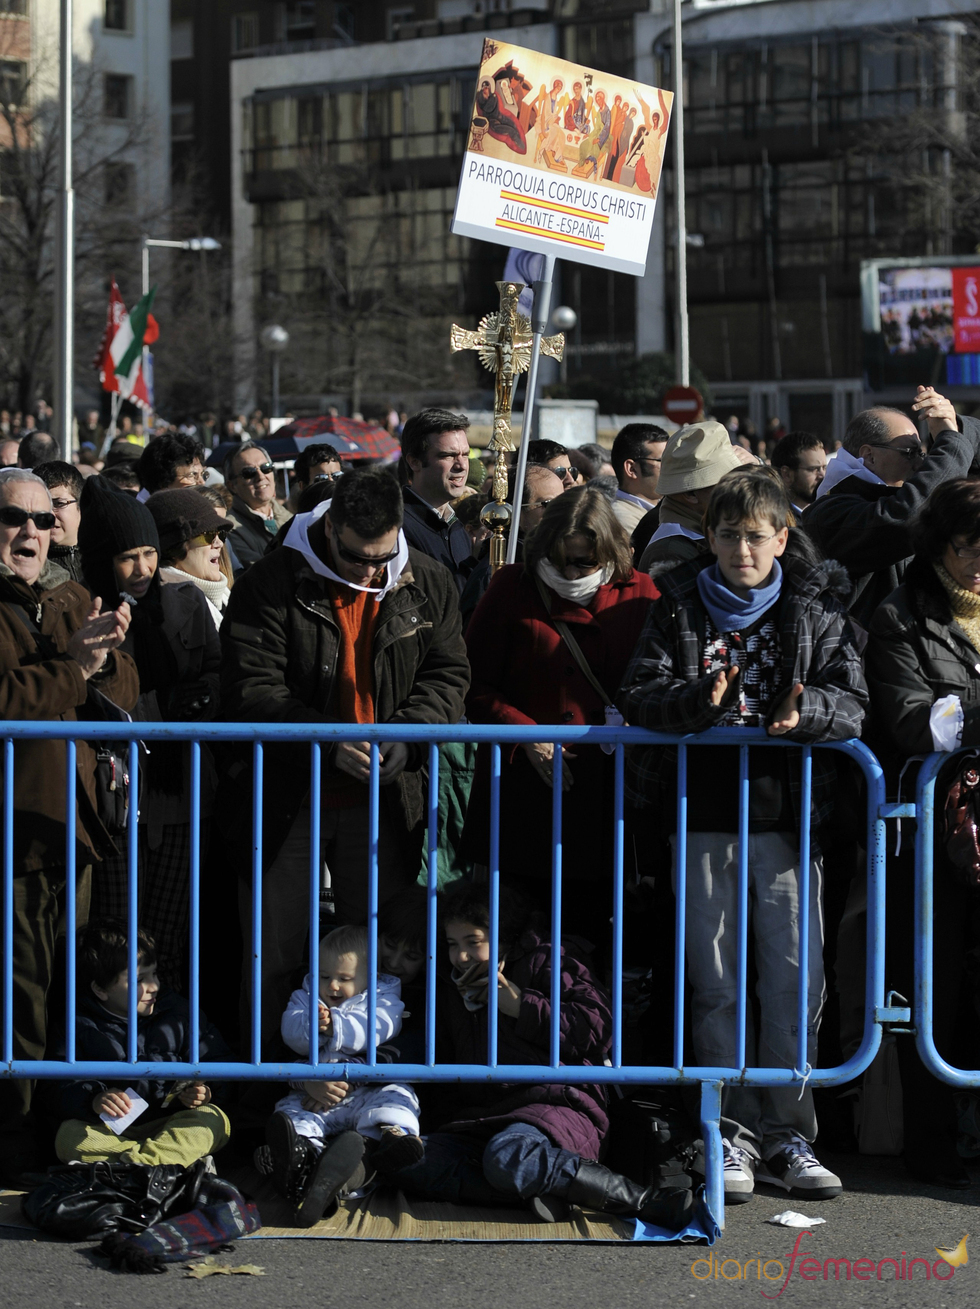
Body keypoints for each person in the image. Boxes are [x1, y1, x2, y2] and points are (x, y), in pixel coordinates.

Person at [619, 473, 868, 1204]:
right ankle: (724, 1125)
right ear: (711, 539)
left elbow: (851, 703)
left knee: (796, 983)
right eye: (728, 534)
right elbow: (638, 695)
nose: (741, 549)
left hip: (791, 821)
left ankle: (789, 1132)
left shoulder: (817, 606)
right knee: (716, 984)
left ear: (782, 538)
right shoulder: (677, 605)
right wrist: (702, 700)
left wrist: (806, 712)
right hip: (703, 817)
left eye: (757, 535)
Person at [219, 466, 469, 1055]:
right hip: (286, 796)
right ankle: (270, 1086)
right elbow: (251, 689)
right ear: (329, 528)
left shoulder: (426, 579)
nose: (371, 573)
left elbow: (448, 677)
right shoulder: (270, 581)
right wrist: (329, 742)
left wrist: (408, 738)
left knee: (378, 950)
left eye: (382, 558)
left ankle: (376, 1080)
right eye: (358, 559)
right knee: (274, 948)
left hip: (384, 798)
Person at [379, 883, 694, 1231]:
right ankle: (546, 1187)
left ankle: (644, 1202)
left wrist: (520, 1005)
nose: (461, 957)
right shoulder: (451, 983)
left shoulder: (550, 958)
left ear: (503, 936)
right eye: (453, 944)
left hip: (555, 1106)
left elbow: (598, 1027)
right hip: (483, 1117)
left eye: (473, 942)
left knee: (508, 1156)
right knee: (405, 1160)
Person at [0, 468, 137, 1181]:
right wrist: (74, 667)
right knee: (17, 997)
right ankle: (16, 1147)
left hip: (73, 829)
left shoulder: (69, 594)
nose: (29, 532)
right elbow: (9, 694)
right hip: (10, 833)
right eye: (12, 518)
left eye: (42, 520)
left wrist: (105, 654)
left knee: (68, 992)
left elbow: (123, 690)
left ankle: (64, 1132)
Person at [463, 486, 657, 941]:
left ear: (607, 552)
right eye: (559, 558)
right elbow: (471, 680)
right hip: (521, 786)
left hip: (604, 789)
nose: (568, 571)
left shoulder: (643, 593)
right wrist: (526, 733)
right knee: (517, 931)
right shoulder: (512, 584)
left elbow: (655, 681)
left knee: (590, 932)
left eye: (582, 562)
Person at [866, 478, 980, 1188]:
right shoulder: (900, 613)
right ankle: (935, 1145)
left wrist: (961, 711)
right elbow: (916, 721)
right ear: (940, 546)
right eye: (968, 547)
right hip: (936, 832)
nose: (978, 562)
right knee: (935, 984)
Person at [77, 476, 220, 992]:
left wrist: (202, 696)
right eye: (126, 557)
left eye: (149, 554)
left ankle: (168, 1051)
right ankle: (114, 1050)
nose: (141, 570)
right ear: (101, 558)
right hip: (114, 795)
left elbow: (218, 673)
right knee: (116, 935)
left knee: (171, 929)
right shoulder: (83, 612)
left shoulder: (185, 600)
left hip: (181, 789)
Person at [257, 924, 423, 1225]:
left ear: (369, 977)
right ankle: (302, 1152)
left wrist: (335, 1026)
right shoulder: (306, 996)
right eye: (325, 976)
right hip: (315, 1096)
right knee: (291, 1113)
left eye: (344, 979)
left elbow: (378, 1026)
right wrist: (311, 1025)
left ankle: (393, 1136)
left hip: (366, 1094)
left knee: (398, 1094)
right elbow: (290, 1033)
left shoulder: (384, 995)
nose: (332, 986)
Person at [52, 921, 232, 1169]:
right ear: (100, 989)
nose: (154, 986)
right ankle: (160, 1168)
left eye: (154, 974)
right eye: (139, 980)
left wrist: (206, 1091)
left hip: (171, 1122)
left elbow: (218, 1062)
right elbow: (59, 1088)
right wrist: (94, 1099)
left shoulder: (179, 1011)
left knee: (213, 1119)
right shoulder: (78, 1024)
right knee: (68, 1136)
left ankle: (130, 1168)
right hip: (111, 1131)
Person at [803, 386, 980, 627]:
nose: (920, 465)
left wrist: (957, 426)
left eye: (923, 454)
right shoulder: (827, 515)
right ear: (869, 456)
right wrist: (951, 443)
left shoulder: (894, 496)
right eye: (910, 452)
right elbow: (906, 517)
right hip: (867, 658)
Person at [459, 464, 565, 628]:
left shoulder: (561, 563)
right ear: (514, 512)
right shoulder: (494, 572)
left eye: (564, 502)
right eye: (548, 504)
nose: (562, 512)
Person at [636, 420, 742, 575]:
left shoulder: (701, 533)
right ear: (690, 494)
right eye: (727, 483)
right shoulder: (670, 553)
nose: (738, 490)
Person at [399, 409, 474, 594]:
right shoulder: (396, 528)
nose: (462, 465)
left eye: (465, 454)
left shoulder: (457, 527)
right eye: (448, 455)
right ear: (414, 462)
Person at [146, 488, 233, 630]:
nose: (219, 543)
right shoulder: (171, 610)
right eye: (209, 535)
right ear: (176, 546)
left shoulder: (225, 595)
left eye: (221, 534)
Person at [224, 442, 292, 569]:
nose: (261, 476)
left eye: (266, 468)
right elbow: (261, 572)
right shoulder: (229, 531)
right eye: (249, 472)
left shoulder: (291, 517)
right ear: (232, 485)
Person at [609, 422, 669, 536]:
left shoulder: (664, 511)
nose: (671, 468)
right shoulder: (623, 521)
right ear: (632, 469)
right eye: (663, 461)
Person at [34, 460, 83, 583]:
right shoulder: (26, 566)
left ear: (80, 506)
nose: (49, 514)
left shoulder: (103, 560)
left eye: (59, 504)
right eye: (41, 506)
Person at [136, 433, 208, 500]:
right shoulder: (139, 511)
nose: (202, 483)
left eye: (203, 474)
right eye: (192, 475)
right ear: (163, 483)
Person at [771, 431, 827, 513]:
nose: (822, 475)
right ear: (787, 475)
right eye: (813, 469)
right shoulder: (773, 521)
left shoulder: (828, 515)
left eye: (824, 468)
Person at [288, 442, 343, 511]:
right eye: (321, 479)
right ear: (303, 486)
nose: (331, 482)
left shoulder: (353, 517)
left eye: (337, 476)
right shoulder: (301, 521)